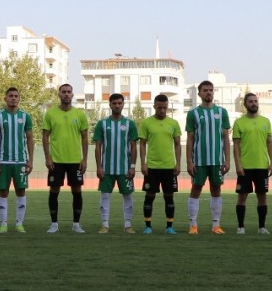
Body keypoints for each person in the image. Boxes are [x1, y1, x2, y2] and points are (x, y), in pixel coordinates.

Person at [41, 83, 89, 234]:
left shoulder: (80, 114)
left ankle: (76, 224)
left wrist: (84, 159)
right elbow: (45, 136)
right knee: (54, 190)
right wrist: (48, 157)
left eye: (69, 92)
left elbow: (85, 137)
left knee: (77, 191)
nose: (66, 94)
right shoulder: (50, 114)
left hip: (75, 161)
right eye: (63, 92)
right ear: (59, 94)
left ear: (72, 95)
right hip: (56, 161)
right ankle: (54, 224)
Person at [184, 80, 231, 235]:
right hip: (199, 160)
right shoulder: (193, 113)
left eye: (211, 90)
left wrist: (227, 160)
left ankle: (216, 225)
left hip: (217, 160)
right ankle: (193, 225)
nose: (208, 92)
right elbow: (190, 139)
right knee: (196, 189)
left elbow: (226, 137)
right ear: (199, 93)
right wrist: (189, 161)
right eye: (205, 90)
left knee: (216, 189)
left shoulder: (222, 112)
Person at [92, 93, 138, 233]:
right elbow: (98, 146)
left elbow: (133, 146)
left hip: (125, 168)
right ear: (110, 105)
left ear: (123, 104)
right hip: (107, 168)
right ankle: (105, 224)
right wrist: (99, 166)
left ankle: (128, 225)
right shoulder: (102, 124)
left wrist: (132, 166)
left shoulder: (130, 123)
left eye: (119, 103)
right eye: (114, 103)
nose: (117, 106)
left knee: (128, 196)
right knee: (105, 195)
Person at [0, 86, 34, 233]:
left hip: (21, 161)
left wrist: (30, 160)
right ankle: (3, 224)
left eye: (16, 96)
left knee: (21, 191)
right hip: (3, 161)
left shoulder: (26, 116)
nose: (13, 98)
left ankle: (19, 224)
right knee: (3, 192)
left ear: (19, 98)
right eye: (11, 96)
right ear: (5, 98)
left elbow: (30, 139)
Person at [231, 92, 272, 234]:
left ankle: (262, 227)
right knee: (242, 197)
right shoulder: (239, 122)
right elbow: (236, 145)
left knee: (262, 197)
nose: (254, 103)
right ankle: (241, 227)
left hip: (262, 166)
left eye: (255, 101)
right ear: (245, 104)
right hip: (245, 167)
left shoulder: (265, 122)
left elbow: (269, 143)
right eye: (250, 101)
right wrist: (238, 164)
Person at [138, 94, 181, 234]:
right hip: (152, 167)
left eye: (165, 108)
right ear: (154, 107)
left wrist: (178, 163)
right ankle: (147, 226)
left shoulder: (173, 123)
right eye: (159, 107)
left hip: (169, 167)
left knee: (169, 197)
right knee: (150, 196)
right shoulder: (147, 123)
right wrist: (143, 163)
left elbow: (177, 144)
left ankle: (169, 227)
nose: (162, 110)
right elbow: (142, 144)